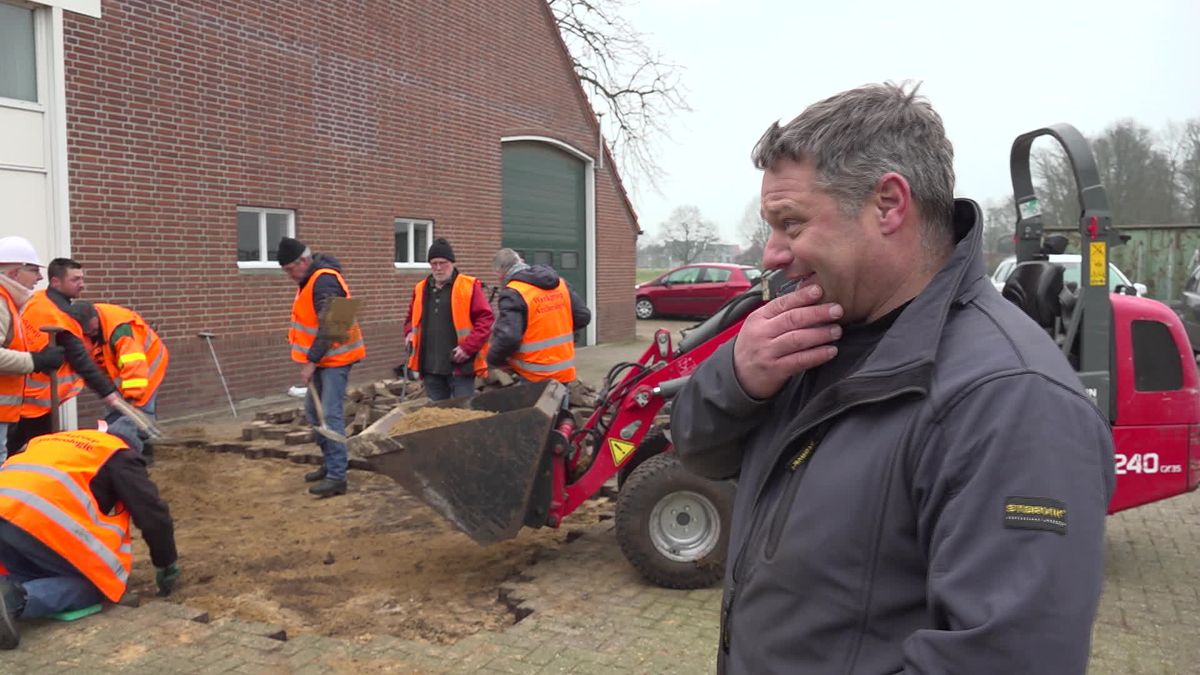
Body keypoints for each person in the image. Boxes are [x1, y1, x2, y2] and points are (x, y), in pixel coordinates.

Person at [671, 83, 1115, 674]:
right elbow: (697, 449)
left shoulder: (1011, 399)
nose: (772, 253)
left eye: (790, 222)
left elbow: (1003, 657)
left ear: (888, 204)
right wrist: (738, 377)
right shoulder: (811, 332)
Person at [0, 427, 179, 650]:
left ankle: (7, 589)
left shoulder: (52, 440)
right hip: (34, 519)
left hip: (6, 511)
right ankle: (13, 600)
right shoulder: (119, 453)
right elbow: (153, 515)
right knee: (96, 586)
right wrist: (166, 563)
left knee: (33, 573)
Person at [278, 236, 365, 498]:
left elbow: (335, 326)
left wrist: (311, 362)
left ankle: (338, 476)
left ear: (302, 261)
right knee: (315, 415)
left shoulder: (326, 281)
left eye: (290, 270)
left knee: (330, 415)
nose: (289, 276)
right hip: (322, 360)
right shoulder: (308, 280)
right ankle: (330, 465)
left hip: (336, 360)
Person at [9, 257, 121, 457]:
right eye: (75, 280)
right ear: (55, 282)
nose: (82, 284)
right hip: (34, 401)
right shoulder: (60, 318)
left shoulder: (36, 299)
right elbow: (82, 362)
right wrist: (109, 393)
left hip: (17, 391)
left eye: (82, 279)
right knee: (39, 452)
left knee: (14, 447)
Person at [66, 301, 169, 460]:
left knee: (139, 413)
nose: (92, 333)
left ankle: (139, 457)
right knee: (116, 413)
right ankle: (122, 449)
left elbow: (134, 365)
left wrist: (131, 401)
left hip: (146, 367)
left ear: (96, 316)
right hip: (119, 371)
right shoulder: (78, 330)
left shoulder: (120, 329)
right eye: (88, 331)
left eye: (94, 329)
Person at [402, 238, 494, 400]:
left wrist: (468, 348)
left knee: (462, 414)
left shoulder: (468, 286)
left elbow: (485, 320)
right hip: (430, 367)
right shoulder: (420, 288)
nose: (438, 268)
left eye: (442, 263)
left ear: (451, 262)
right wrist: (409, 333)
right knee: (438, 417)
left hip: (460, 366)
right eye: (434, 263)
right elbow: (410, 318)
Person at [0, 238, 65, 463]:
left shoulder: (8, 301)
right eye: (34, 270)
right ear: (14, 274)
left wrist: (40, 358)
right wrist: (36, 361)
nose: (39, 278)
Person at [487, 249, 590, 384]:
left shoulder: (514, 292)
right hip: (564, 370)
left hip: (533, 375)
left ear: (500, 275)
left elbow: (509, 337)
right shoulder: (560, 284)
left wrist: (494, 360)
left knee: (536, 405)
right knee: (558, 403)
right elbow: (583, 317)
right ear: (521, 262)